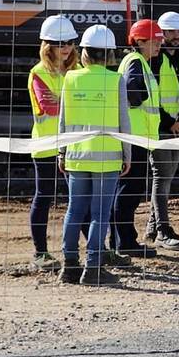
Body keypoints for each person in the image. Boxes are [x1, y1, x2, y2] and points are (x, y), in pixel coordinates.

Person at [57, 24, 132, 285]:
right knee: (100, 214)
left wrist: (61, 153)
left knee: (74, 210)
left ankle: (69, 266)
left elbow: (63, 121)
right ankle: (93, 267)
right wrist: (127, 155)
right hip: (107, 157)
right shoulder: (115, 80)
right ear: (110, 54)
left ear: (84, 52)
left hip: (77, 155)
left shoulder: (71, 78)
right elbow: (124, 121)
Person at [26, 15, 79, 270]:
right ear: (48, 46)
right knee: (44, 196)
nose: (66, 48)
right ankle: (41, 253)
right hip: (46, 145)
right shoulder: (38, 73)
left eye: (69, 42)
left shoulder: (76, 71)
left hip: (73, 144)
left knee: (78, 198)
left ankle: (95, 250)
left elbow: (61, 104)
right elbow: (48, 106)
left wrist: (66, 102)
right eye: (60, 43)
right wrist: (77, 102)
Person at [111, 18, 162, 257]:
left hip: (136, 137)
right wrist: (141, 97)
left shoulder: (137, 61)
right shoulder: (135, 61)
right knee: (129, 192)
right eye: (154, 40)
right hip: (136, 138)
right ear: (139, 42)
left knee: (126, 191)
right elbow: (132, 90)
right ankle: (125, 242)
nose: (159, 45)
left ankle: (119, 241)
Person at [148, 10, 179, 249]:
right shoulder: (155, 59)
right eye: (172, 31)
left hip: (178, 125)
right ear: (161, 33)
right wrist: (169, 123)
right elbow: (151, 97)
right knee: (162, 177)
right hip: (161, 127)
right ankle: (163, 230)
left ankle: (152, 228)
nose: (177, 36)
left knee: (167, 178)